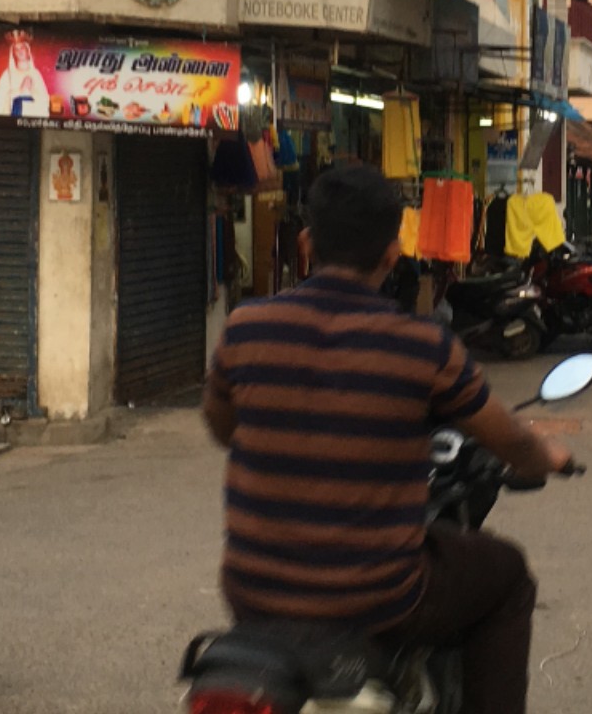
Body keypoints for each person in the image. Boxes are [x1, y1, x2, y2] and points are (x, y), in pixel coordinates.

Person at [204, 166, 573, 714]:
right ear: (392, 255)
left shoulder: (245, 327)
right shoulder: (422, 345)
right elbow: (510, 440)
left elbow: (223, 428)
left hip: (251, 589)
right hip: (378, 596)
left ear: (306, 245)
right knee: (508, 576)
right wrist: (549, 457)